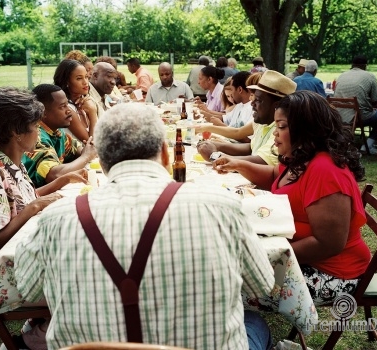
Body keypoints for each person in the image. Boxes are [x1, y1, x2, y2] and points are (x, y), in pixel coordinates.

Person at [15, 103, 275, 350]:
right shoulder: (223, 205)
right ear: (165, 153)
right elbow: (261, 286)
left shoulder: (56, 218)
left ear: (102, 163)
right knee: (254, 323)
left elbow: (27, 289)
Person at [213, 91, 371, 305]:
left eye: (282, 127)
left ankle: (251, 332)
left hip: (331, 272)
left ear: (306, 129)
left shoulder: (326, 172)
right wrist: (237, 164)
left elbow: (329, 243)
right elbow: (274, 177)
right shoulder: (302, 157)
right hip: (301, 260)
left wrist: (263, 256)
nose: (275, 134)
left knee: (223, 284)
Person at [0, 87, 87, 349]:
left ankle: (37, 328)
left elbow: (24, 198)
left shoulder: (13, 164)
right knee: (83, 286)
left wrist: (58, 184)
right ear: (16, 132)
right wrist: (31, 209)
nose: (39, 132)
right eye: (35, 126)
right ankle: (31, 342)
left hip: (22, 261)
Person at [197, 70, 296, 166]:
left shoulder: (281, 130)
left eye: (258, 100)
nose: (252, 103)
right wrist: (216, 145)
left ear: (276, 106)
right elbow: (251, 148)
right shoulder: (262, 122)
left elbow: (261, 161)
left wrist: (216, 156)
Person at [22, 84, 97, 188]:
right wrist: (87, 156)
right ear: (42, 113)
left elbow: (79, 150)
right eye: (62, 107)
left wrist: (88, 151)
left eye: (67, 105)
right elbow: (55, 175)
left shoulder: (56, 132)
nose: (69, 110)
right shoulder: (36, 137)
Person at [334, 55, 377, 154]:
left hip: (339, 115)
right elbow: (375, 101)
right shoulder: (370, 76)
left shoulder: (342, 75)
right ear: (365, 66)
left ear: (352, 65)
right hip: (359, 116)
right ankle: (368, 145)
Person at [54, 59, 99, 143]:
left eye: (86, 77)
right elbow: (92, 144)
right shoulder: (67, 109)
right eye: (79, 78)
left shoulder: (86, 101)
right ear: (67, 82)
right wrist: (92, 112)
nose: (85, 82)